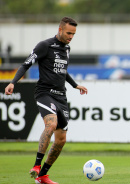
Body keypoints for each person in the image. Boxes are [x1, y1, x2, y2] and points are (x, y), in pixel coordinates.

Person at [5, 17, 88, 184]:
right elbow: (26, 64)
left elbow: (63, 71)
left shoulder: (67, 49)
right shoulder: (45, 45)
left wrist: (74, 85)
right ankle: (36, 166)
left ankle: (43, 175)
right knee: (51, 124)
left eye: (73, 34)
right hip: (45, 93)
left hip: (61, 96)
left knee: (61, 139)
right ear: (60, 30)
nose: (71, 36)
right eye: (68, 33)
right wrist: (13, 83)